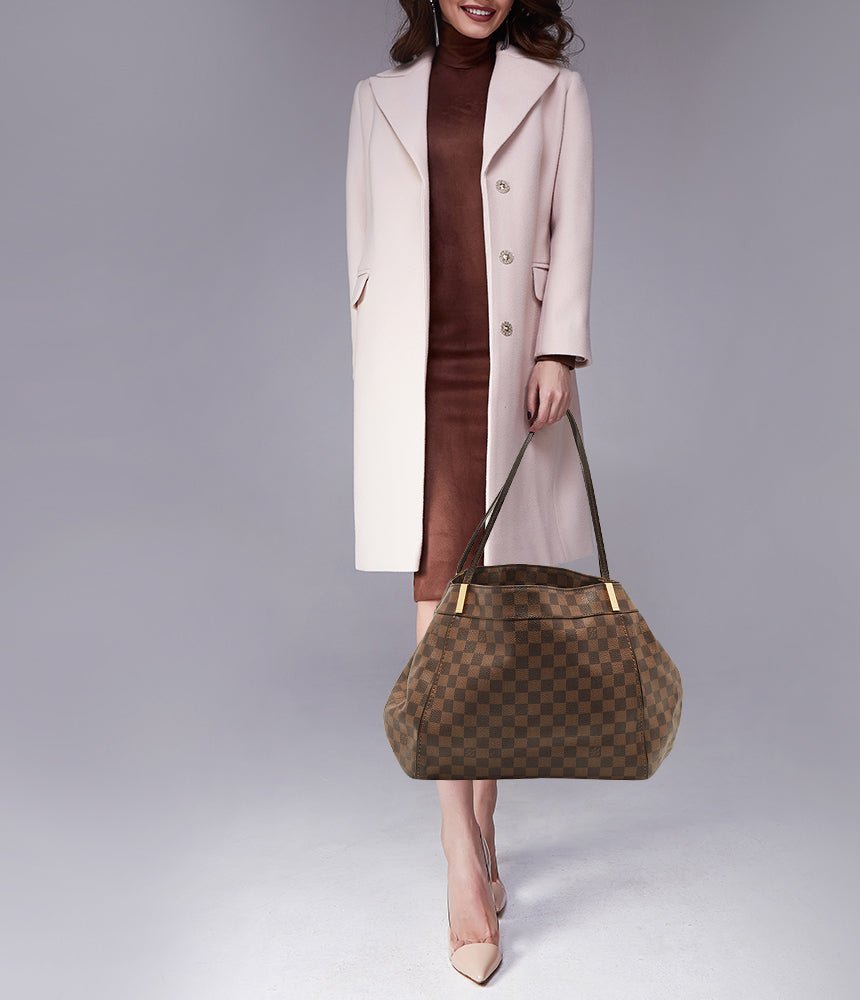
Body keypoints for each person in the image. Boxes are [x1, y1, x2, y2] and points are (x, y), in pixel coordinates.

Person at [346, 0, 594, 983]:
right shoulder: (378, 99)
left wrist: (559, 348)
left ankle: (484, 815)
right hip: (416, 381)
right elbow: (362, 250)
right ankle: (459, 852)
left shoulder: (557, 93)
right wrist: (374, 367)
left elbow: (571, 225)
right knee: (439, 617)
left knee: (491, 618)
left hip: (508, 374)